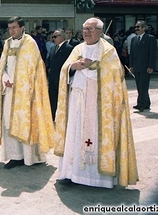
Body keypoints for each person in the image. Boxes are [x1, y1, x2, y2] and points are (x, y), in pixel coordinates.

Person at [55, 17, 138, 188]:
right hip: (77, 101)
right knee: (75, 135)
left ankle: (96, 178)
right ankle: (72, 173)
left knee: (96, 137)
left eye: (91, 29)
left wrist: (94, 67)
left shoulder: (108, 51)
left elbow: (115, 76)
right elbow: (64, 69)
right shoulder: (78, 48)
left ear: (101, 32)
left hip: (98, 104)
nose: (87, 32)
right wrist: (73, 67)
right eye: (85, 29)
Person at [0, 16, 54, 169]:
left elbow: (34, 69)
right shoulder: (7, 43)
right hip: (9, 91)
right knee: (9, 121)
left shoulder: (29, 43)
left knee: (26, 122)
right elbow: (4, 66)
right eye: (10, 28)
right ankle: (15, 156)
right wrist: (5, 79)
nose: (12, 31)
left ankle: (31, 156)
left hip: (26, 93)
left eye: (14, 27)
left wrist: (20, 82)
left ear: (22, 28)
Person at [129, 20, 157, 111]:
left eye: (138, 27)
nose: (136, 28)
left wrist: (151, 66)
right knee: (139, 86)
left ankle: (141, 104)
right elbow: (132, 54)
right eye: (136, 27)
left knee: (143, 86)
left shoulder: (150, 38)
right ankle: (146, 103)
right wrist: (131, 65)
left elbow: (152, 53)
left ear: (144, 28)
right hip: (137, 66)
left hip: (146, 66)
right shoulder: (134, 39)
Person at [46, 29, 73, 120]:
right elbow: (49, 60)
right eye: (53, 37)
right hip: (53, 78)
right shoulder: (53, 48)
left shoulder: (69, 48)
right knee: (52, 98)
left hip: (62, 78)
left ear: (61, 37)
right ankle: (52, 117)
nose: (53, 38)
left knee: (61, 99)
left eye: (55, 36)